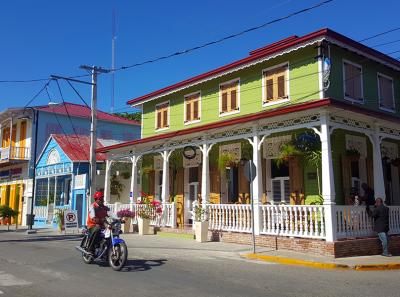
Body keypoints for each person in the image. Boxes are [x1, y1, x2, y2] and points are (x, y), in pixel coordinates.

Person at [85, 191, 110, 255]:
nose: (102, 200)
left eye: (102, 198)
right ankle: (90, 249)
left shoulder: (104, 207)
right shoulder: (92, 206)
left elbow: (111, 213)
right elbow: (93, 216)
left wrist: (119, 218)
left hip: (102, 224)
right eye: (101, 198)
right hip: (92, 225)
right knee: (97, 228)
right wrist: (95, 219)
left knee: (111, 230)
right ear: (96, 199)